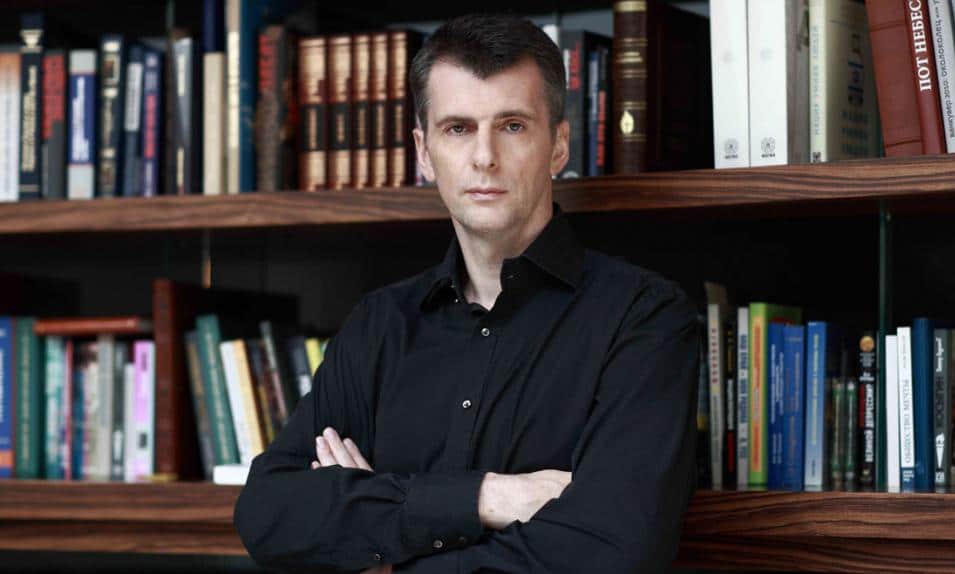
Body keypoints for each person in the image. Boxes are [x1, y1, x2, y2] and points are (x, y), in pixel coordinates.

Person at [234, 13, 699, 574]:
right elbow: (269, 513)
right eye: (458, 128)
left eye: (512, 126)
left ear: (558, 145)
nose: (484, 157)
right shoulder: (379, 324)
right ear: (423, 151)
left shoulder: (644, 318)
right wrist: (488, 497)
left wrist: (381, 533)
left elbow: (614, 551)